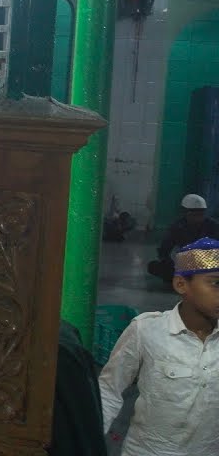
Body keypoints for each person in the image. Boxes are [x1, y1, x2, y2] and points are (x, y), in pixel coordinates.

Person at [100, 237, 219, 455]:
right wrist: (91, 442)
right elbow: (109, 391)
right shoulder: (147, 331)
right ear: (181, 284)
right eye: (216, 283)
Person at [147, 194, 219, 286]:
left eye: (200, 213)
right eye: (194, 214)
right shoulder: (177, 227)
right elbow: (164, 250)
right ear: (185, 213)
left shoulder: (213, 226)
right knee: (154, 266)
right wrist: (168, 263)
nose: (197, 217)